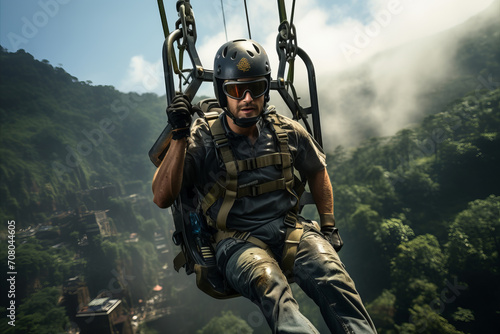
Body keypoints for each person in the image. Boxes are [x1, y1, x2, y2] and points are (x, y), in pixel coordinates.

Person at [152, 39, 376, 334]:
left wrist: (329, 225)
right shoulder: (202, 138)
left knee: (333, 277)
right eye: (235, 90)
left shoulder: (285, 130)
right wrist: (179, 135)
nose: (246, 98)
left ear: (265, 90)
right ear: (223, 93)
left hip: (292, 231)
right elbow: (161, 196)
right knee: (272, 288)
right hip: (236, 242)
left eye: (255, 88)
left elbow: (317, 170)